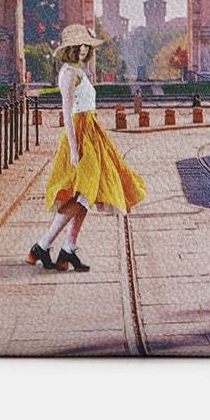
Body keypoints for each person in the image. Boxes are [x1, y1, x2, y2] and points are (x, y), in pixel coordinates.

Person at [28, 23, 146, 273]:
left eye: (87, 45)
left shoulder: (77, 71)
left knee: (87, 193)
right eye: (79, 45)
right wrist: (73, 148)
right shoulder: (69, 73)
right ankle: (44, 245)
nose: (84, 49)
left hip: (91, 133)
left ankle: (65, 249)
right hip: (81, 135)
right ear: (70, 47)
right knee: (84, 194)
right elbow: (67, 112)